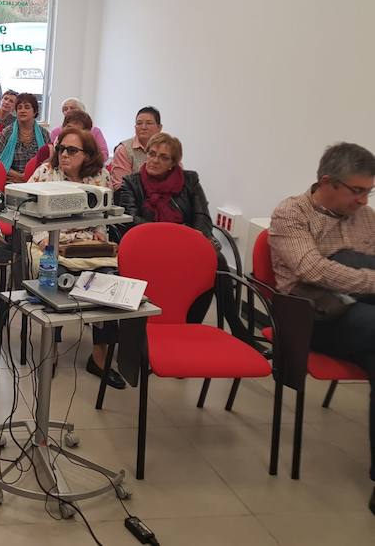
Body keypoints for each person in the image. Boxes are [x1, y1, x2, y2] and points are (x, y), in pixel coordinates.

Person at [268, 142, 375, 514]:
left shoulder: (367, 217)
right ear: (328, 181)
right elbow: (312, 271)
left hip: (357, 313)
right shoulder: (291, 213)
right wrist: (368, 277)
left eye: (369, 191)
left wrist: (355, 275)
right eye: (357, 190)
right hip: (308, 315)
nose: (363, 201)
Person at [115, 133, 245, 339]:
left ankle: (195, 325)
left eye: (163, 157)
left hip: (185, 246)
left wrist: (193, 239)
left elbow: (202, 216)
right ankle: (236, 327)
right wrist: (173, 234)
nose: (155, 160)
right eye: (152, 153)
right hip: (149, 245)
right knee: (213, 260)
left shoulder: (189, 181)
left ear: (173, 163)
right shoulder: (132, 182)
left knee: (214, 260)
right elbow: (130, 219)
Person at [27, 127, 125, 389]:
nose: (64, 155)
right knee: (55, 281)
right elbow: (28, 216)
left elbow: (101, 218)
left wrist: (100, 238)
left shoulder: (99, 176)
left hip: (85, 244)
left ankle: (100, 357)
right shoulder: (45, 173)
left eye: (72, 150)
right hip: (48, 242)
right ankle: (52, 352)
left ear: (88, 154)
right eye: (61, 149)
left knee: (109, 282)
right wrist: (44, 241)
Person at [0, 93, 50, 182]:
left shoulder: (44, 133)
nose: (22, 110)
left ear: (35, 111)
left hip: (38, 179)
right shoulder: (7, 133)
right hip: (12, 179)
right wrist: (20, 176)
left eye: (27, 107)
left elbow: (49, 161)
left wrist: (31, 176)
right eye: (19, 108)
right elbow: (1, 162)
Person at [110, 106, 161, 190]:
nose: (143, 127)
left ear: (159, 128)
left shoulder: (167, 148)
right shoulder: (124, 149)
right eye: (139, 123)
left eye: (149, 123)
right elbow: (121, 186)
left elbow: (178, 179)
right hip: (134, 200)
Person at [33, 109, 100, 169]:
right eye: (69, 128)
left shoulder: (91, 154)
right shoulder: (46, 151)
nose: (72, 133)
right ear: (62, 128)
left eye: (78, 130)